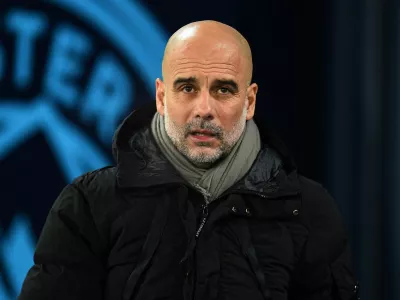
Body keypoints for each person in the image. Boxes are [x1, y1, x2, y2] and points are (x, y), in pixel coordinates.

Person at [18, 20, 360, 300]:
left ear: (250, 101)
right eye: (187, 88)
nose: (204, 109)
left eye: (224, 89)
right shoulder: (90, 204)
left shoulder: (309, 210)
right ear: (162, 97)